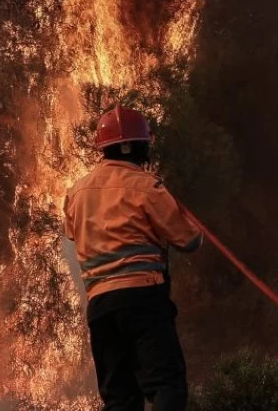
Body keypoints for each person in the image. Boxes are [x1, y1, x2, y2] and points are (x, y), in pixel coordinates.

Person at [63, 106, 203, 411]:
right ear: (136, 145)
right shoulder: (147, 187)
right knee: (166, 384)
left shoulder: (76, 193)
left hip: (101, 307)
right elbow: (188, 240)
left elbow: (72, 233)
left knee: (119, 398)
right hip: (144, 300)